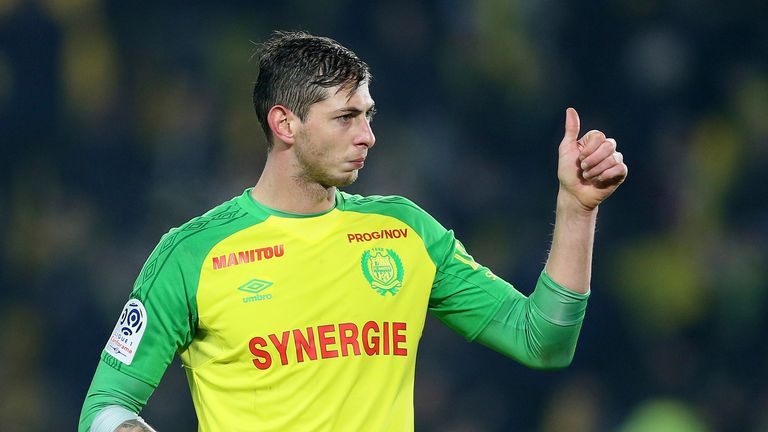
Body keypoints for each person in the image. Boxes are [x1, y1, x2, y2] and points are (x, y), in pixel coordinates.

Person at [78, 30, 628, 432]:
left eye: (368, 115)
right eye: (346, 117)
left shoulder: (403, 233)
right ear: (284, 123)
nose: (367, 135)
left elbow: (543, 340)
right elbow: (106, 406)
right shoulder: (192, 254)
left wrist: (577, 210)